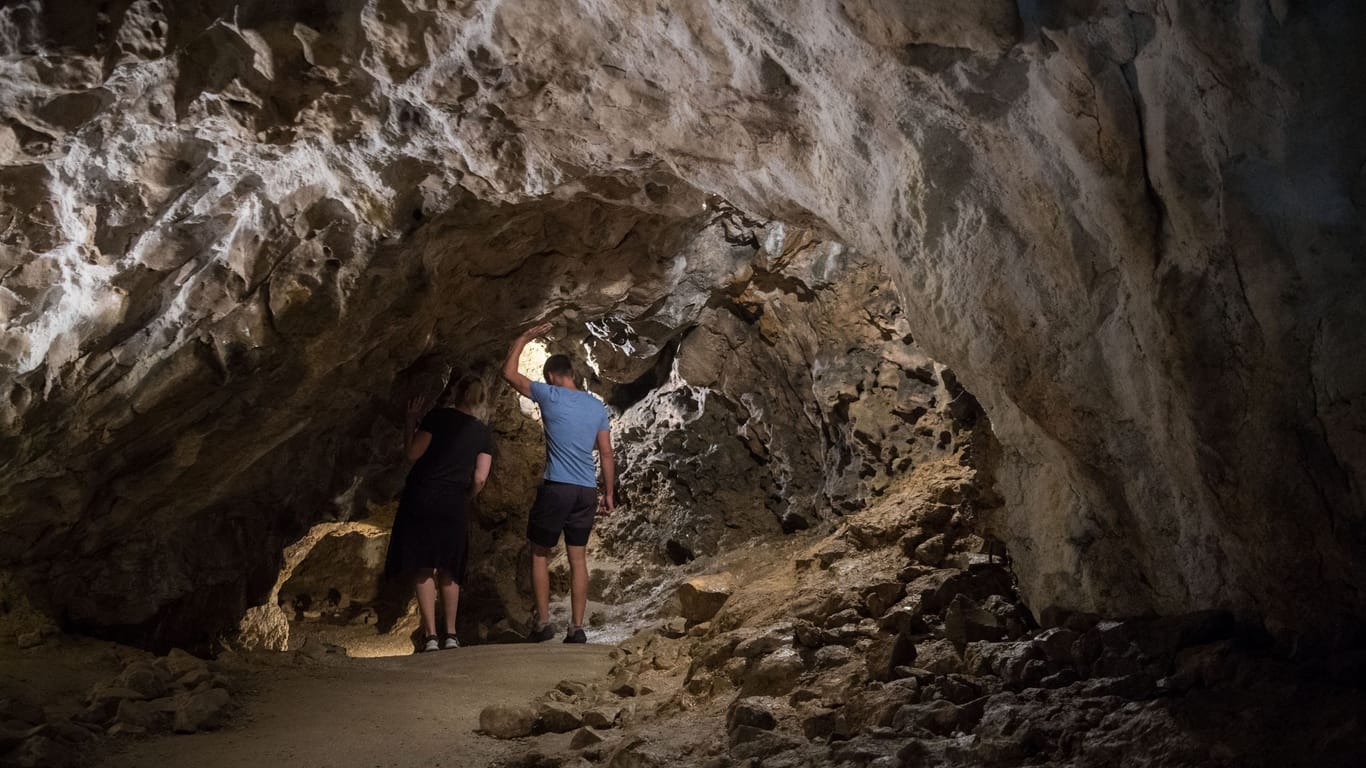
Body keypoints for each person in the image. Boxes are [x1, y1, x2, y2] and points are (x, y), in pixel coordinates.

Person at [502, 323, 614, 644]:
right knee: (578, 558)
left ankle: (544, 623)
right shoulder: (596, 406)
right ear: (573, 376)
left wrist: (523, 337)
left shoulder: (549, 394)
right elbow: (606, 453)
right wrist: (608, 492)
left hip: (557, 487)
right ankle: (577, 628)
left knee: (540, 553)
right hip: (586, 491)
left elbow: (508, 373)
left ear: (551, 376)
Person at [383, 375, 494, 653]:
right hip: (454, 501)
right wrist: (466, 496)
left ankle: (431, 636)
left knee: (424, 565)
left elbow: (412, 453)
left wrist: (411, 421)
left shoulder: (436, 418)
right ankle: (452, 635)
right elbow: (480, 478)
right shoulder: (482, 433)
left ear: (455, 393)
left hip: (422, 496)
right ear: (480, 399)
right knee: (450, 568)